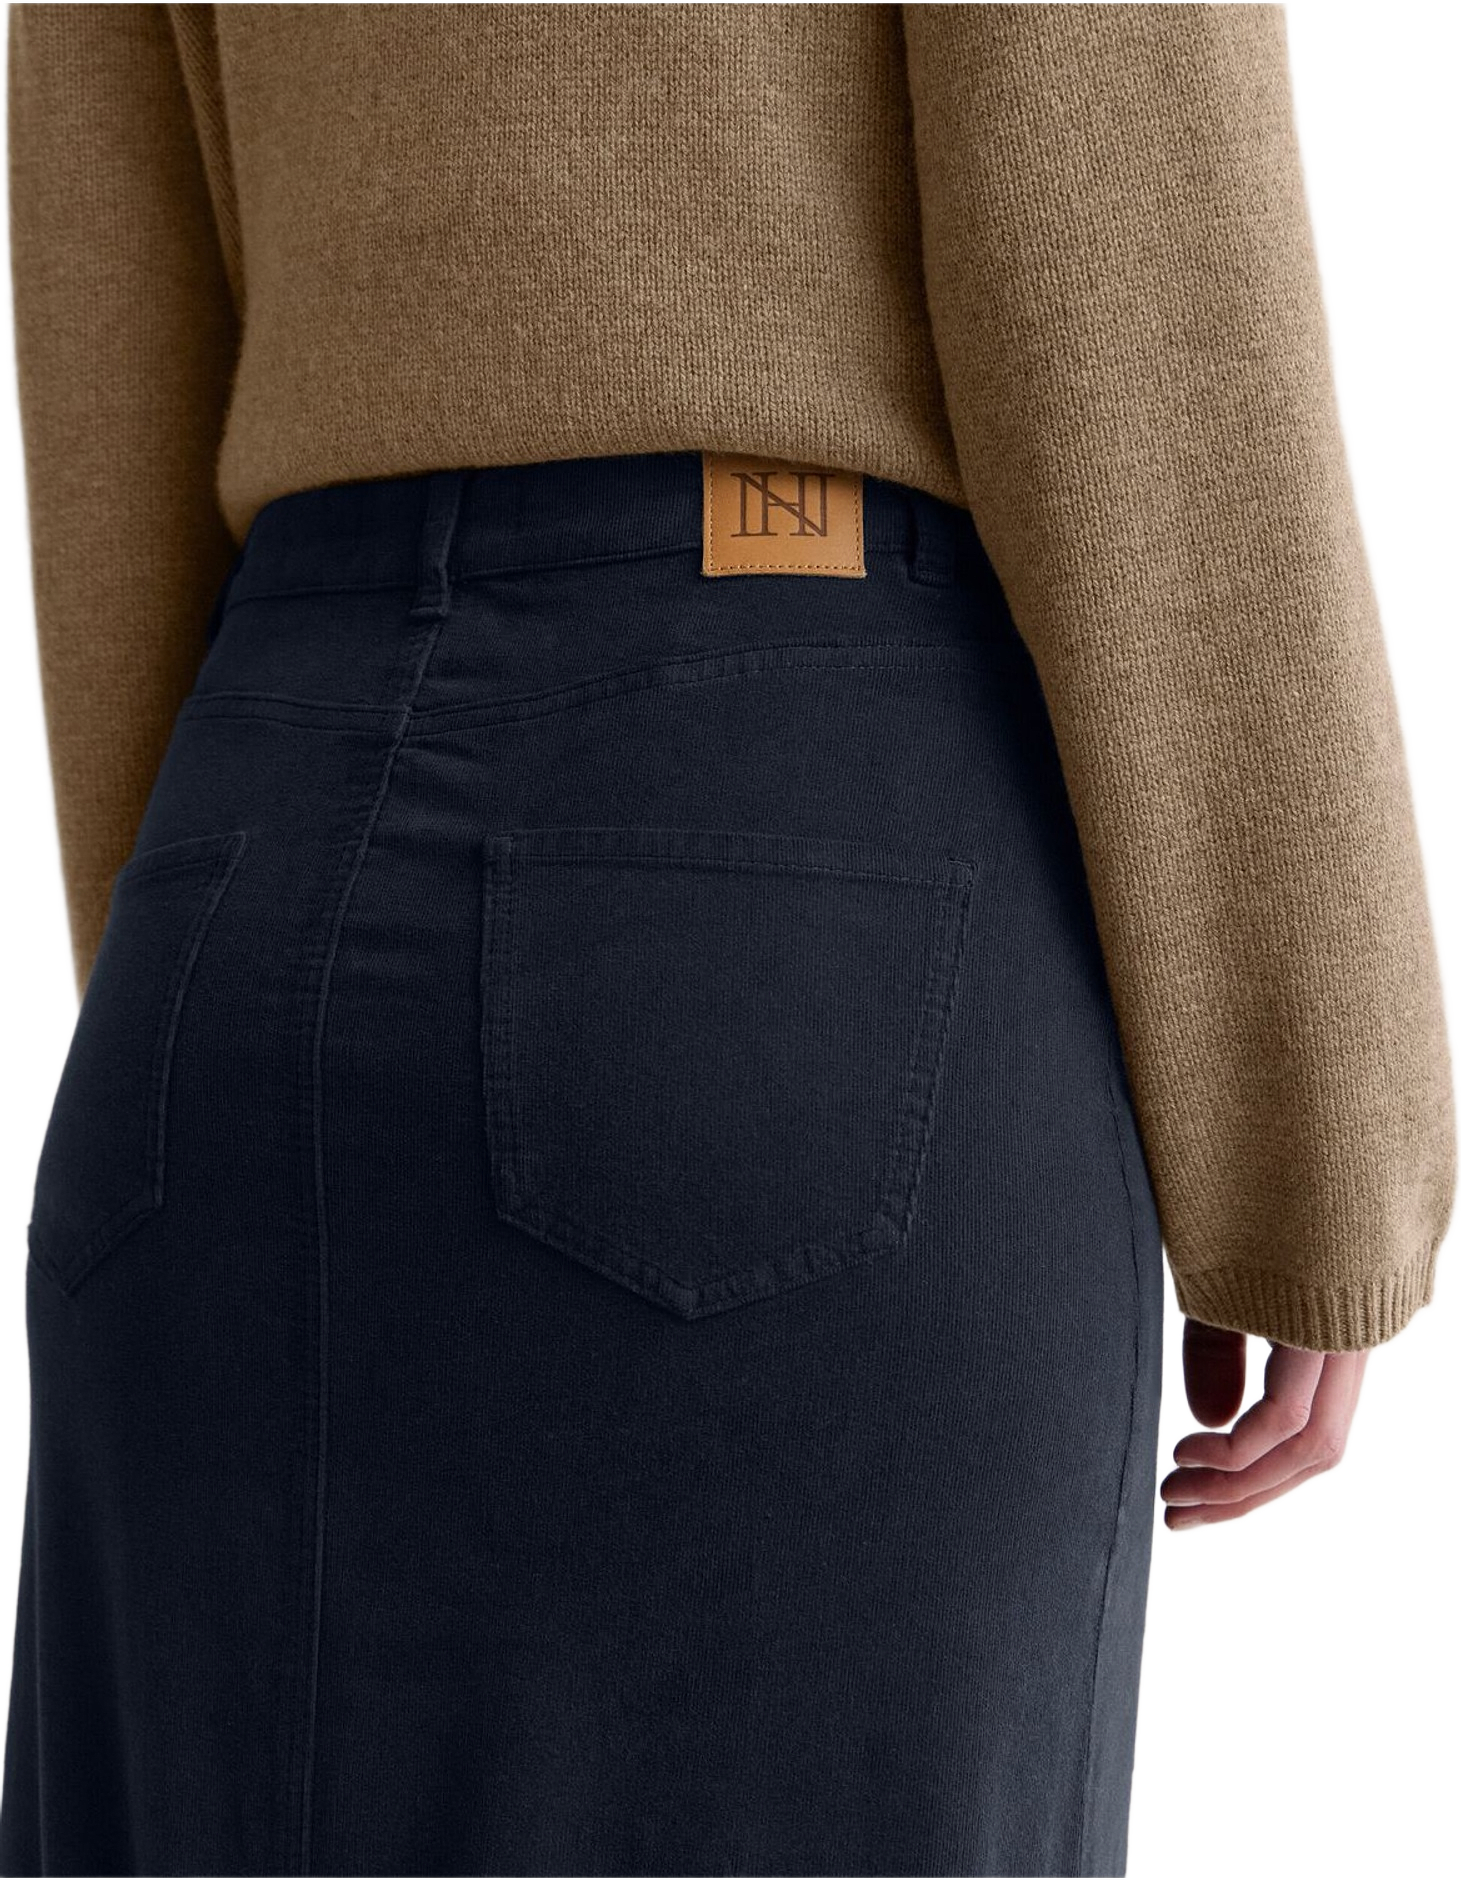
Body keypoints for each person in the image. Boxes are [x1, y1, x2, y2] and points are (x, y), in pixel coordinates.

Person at [1, 5, 1453, 1877]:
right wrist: (1314, 1128)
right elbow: (1118, 188)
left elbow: (104, 262)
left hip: (237, 907)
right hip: (787, 883)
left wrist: (188, 987)